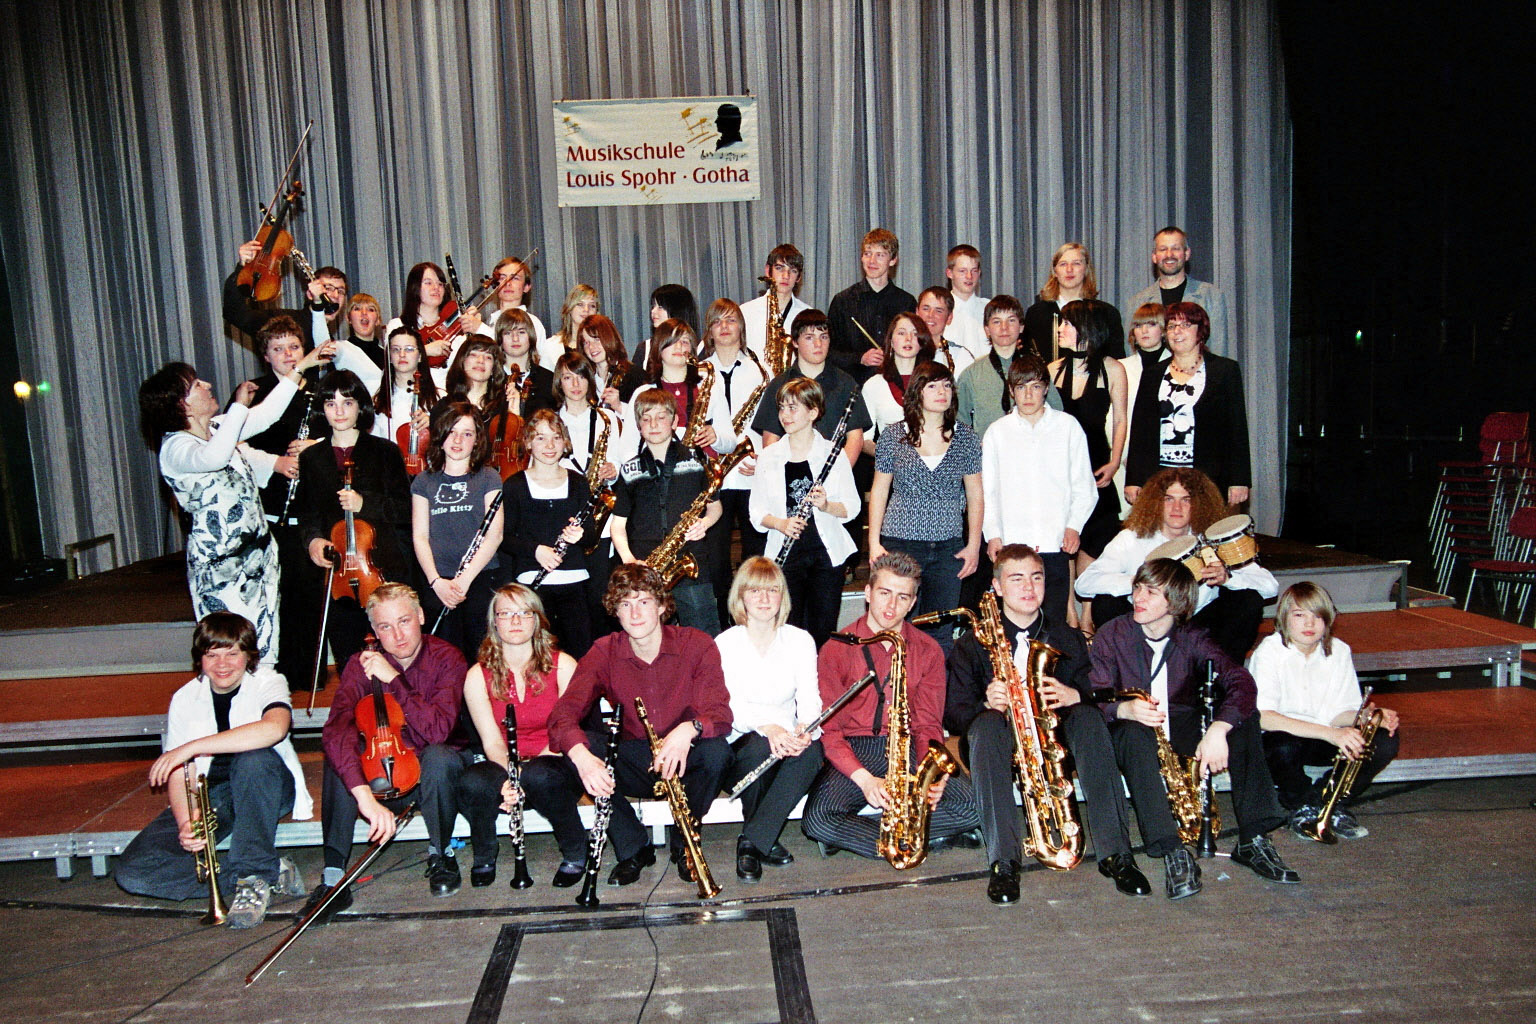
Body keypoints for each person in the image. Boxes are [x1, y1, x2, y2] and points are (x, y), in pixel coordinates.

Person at [944, 546, 1152, 904]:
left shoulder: (1067, 636)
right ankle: (1004, 862)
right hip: (1000, 736)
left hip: (1055, 733)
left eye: (1036, 578)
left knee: (1088, 718)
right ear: (997, 587)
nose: (1029, 587)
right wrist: (985, 703)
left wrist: (1076, 694)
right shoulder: (972, 643)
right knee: (986, 727)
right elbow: (953, 714)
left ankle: (1117, 854)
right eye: (1017, 579)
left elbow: (1097, 691)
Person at [1091, 559, 1298, 898]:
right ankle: (1172, 850)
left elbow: (1241, 682)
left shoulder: (1193, 637)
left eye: (1151, 592)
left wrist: (1219, 729)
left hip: (1181, 727)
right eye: (1138, 588)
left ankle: (1254, 839)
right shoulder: (1112, 634)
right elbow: (1093, 694)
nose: (1138, 597)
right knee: (1131, 732)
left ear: (1175, 601)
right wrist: (1122, 709)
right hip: (1135, 735)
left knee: (1244, 720)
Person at [114, 613, 309, 928]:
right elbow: (180, 774)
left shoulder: (269, 681)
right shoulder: (184, 698)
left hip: (265, 784)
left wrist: (191, 747)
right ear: (200, 659)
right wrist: (186, 822)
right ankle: (266, 872)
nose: (222, 664)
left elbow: (274, 729)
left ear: (248, 655)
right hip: (213, 795)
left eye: (232, 653)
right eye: (212, 654)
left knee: (252, 759)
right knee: (133, 874)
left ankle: (253, 876)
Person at [546, 563, 733, 886]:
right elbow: (563, 714)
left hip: (685, 757)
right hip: (636, 760)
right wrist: (582, 758)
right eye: (625, 604)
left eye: (644, 601)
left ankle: (685, 844)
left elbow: (719, 713)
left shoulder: (696, 643)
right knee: (580, 750)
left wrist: (688, 729)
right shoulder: (605, 651)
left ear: (661, 606)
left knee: (717, 752)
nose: (635, 613)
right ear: (615, 611)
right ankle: (633, 846)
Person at [802, 552, 981, 859]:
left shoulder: (929, 650)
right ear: (868, 593)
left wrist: (933, 773)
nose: (891, 605)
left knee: (975, 805)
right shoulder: (837, 647)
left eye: (902, 597)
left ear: (913, 603)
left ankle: (871, 836)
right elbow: (829, 730)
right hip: (857, 748)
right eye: (884, 593)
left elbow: (928, 724)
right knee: (817, 820)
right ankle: (924, 836)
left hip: (908, 747)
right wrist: (864, 779)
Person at [309, 583, 470, 915]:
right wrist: (363, 797)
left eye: (404, 621)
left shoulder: (447, 658)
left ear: (421, 616)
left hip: (434, 778)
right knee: (339, 755)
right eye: (385, 626)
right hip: (379, 775)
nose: (397, 635)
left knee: (439, 757)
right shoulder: (360, 664)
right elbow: (336, 729)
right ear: (374, 630)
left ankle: (441, 854)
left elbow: (437, 731)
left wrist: (393, 680)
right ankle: (333, 875)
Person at [138, 357, 304, 662]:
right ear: (182, 405)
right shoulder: (175, 448)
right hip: (220, 569)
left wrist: (301, 367)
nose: (207, 385)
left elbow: (267, 414)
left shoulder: (217, 428)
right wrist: (238, 407)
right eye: (196, 385)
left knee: (265, 648)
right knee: (227, 651)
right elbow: (213, 458)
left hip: (259, 558)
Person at [1076, 467, 1276, 663]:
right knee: (1105, 602)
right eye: (1169, 499)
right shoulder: (1133, 538)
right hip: (1145, 629)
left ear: (1199, 504)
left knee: (1248, 599)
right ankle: (1132, 674)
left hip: (1197, 627)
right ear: (1156, 502)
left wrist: (1227, 578)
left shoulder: (1211, 538)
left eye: (1186, 500)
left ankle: (1220, 674)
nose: (1177, 508)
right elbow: (1085, 584)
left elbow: (1270, 587)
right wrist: (1142, 582)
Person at [1250, 583, 1402, 839]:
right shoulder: (1269, 651)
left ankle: (1328, 801)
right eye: (1300, 615)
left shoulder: (1339, 650)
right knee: (1280, 746)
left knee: (1384, 739)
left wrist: (1367, 717)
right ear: (1284, 618)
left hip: (1326, 736)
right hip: (1285, 737)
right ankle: (1300, 803)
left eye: (1317, 616)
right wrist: (1331, 734)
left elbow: (1340, 712)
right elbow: (1264, 717)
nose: (1309, 623)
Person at [458, 584, 585, 886]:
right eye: (505, 614)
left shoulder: (564, 665)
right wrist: (510, 779)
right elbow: (491, 741)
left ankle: (575, 851)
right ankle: (484, 855)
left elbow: (564, 733)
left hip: (555, 765)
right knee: (473, 781)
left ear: (537, 619)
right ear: (494, 622)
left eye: (524, 613)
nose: (515, 621)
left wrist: (525, 777)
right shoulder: (476, 675)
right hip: (505, 766)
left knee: (540, 775)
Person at [234, 316, 339, 681]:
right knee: (270, 593)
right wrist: (275, 463)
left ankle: (307, 673)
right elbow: (232, 444)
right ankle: (268, 672)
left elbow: (348, 431)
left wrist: (315, 446)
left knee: (308, 591)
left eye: (294, 347)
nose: (288, 355)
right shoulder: (254, 392)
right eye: (278, 349)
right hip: (270, 505)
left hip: (310, 505)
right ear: (265, 355)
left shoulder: (322, 390)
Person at [297, 370, 413, 673]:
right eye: (330, 404)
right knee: (348, 655)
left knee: (394, 653)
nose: (339, 411)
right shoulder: (311, 458)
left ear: (360, 407)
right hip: (339, 574)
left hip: (382, 567)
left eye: (347, 403)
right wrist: (313, 540)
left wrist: (365, 504)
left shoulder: (385, 451)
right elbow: (308, 513)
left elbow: (405, 509)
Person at [716, 558, 824, 882]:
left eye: (772, 590)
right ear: (741, 596)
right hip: (742, 743)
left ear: (782, 597)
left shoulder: (800, 640)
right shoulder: (725, 644)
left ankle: (752, 841)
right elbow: (728, 706)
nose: (764, 599)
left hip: (787, 740)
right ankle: (763, 838)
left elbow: (810, 697)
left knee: (813, 752)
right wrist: (767, 728)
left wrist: (805, 728)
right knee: (760, 748)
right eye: (755, 591)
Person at [867, 360, 982, 656]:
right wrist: (874, 543)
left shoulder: (966, 438)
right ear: (917, 391)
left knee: (941, 630)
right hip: (900, 544)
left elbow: (975, 495)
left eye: (946, 385)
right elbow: (879, 490)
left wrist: (973, 545)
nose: (941, 392)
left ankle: (935, 686)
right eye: (932, 386)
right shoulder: (893, 436)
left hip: (948, 549)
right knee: (896, 626)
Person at [980, 356, 1098, 628]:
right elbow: (988, 491)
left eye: (1035, 387)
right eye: (1021, 387)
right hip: (1012, 545)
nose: (1028, 395)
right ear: (1011, 391)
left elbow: (1084, 486)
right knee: (1013, 623)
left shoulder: (1068, 427)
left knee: (1053, 624)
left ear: (1046, 388)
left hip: (1054, 542)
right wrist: (993, 534)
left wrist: (1074, 526)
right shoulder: (997, 432)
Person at [749, 378, 860, 649]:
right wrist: (781, 523)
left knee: (823, 630)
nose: (784, 415)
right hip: (786, 553)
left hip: (826, 555)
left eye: (793, 408)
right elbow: (756, 512)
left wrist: (826, 505)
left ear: (813, 412)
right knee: (789, 630)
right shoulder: (769, 456)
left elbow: (852, 507)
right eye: (782, 408)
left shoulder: (832, 454)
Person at [610, 389, 724, 634]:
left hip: (691, 560)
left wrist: (704, 523)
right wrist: (630, 561)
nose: (653, 424)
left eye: (661, 417)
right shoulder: (629, 470)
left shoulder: (697, 461)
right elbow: (617, 525)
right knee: (651, 638)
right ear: (638, 425)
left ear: (674, 422)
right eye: (646, 418)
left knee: (703, 635)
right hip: (647, 566)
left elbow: (715, 507)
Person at [1048, 298, 1129, 629]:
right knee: (1064, 543)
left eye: (1067, 324)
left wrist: (1115, 462)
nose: (1060, 329)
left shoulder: (1113, 369)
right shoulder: (1052, 370)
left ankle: (1088, 618)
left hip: (1097, 467)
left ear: (1087, 328)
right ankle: (1069, 614)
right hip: (1062, 470)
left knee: (1095, 543)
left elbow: (1121, 420)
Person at [1124, 301, 1251, 508]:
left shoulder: (1225, 370)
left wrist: (1239, 479)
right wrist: (1133, 479)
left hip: (1208, 478)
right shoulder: (1153, 374)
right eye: (1171, 326)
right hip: (1159, 479)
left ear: (1201, 331)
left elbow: (1237, 429)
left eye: (1185, 325)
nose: (1177, 331)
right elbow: (1140, 430)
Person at [410, 400, 504, 660]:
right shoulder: (424, 481)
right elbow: (420, 536)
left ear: (477, 440)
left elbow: (494, 535)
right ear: (440, 435)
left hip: (479, 578)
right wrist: (436, 581)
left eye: (467, 433)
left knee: (481, 655)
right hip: (438, 581)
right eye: (452, 431)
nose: (458, 440)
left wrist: (464, 580)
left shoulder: (489, 477)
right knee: (444, 658)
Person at [499, 410, 598, 658]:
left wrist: (580, 535)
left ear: (565, 442)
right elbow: (504, 538)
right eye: (540, 438)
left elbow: (591, 536)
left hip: (575, 582)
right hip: (533, 585)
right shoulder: (514, 485)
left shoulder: (578, 482)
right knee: (539, 658)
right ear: (528, 443)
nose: (550, 445)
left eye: (556, 437)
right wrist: (536, 551)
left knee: (580, 656)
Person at [701, 298, 771, 617]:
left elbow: (770, 423)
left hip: (750, 472)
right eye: (717, 322)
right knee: (716, 560)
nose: (724, 327)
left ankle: (752, 617)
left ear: (742, 327)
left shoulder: (761, 371)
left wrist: (760, 458)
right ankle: (724, 621)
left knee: (754, 556)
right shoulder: (699, 372)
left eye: (731, 320)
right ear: (709, 331)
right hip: (713, 477)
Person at [749, 309, 871, 466]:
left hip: (834, 473)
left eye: (824, 337)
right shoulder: (778, 385)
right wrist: (783, 472)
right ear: (795, 342)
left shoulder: (846, 383)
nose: (818, 344)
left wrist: (838, 473)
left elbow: (855, 438)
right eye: (809, 337)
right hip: (790, 472)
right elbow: (771, 440)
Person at [955, 294, 1061, 442]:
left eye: (1011, 320)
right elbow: (960, 423)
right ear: (987, 329)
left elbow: (1057, 413)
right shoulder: (971, 375)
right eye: (997, 322)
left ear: (1021, 327)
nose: (1004, 328)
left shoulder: (1037, 369)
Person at [826, 228, 917, 382]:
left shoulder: (906, 302)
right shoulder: (843, 301)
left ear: (893, 260)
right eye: (867, 254)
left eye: (880, 255)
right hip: (854, 386)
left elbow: (917, 347)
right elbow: (828, 351)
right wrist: (860, 358)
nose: (872, 261)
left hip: (895, 385)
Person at [1125, 226, 1231, 356]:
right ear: (1154, 256)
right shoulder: (1136, 303)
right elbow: (1132, 353)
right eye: (1163, 249)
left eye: (1176, 249)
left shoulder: (1211, 296)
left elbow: (1218, 352)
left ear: (1187, 254)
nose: (1169, 255)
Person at [634, 318, 734, 455]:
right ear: (659, 347)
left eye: (685, 342)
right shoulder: (642, 393)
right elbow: (628, 448)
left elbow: (731, 443)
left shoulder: (710, 389)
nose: (679, 346)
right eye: (672, 340)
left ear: (692, 350)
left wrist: (716, 438)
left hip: (703, 466)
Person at [223, 240, 343, 348]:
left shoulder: (335, 344)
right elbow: (236, 314)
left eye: (341, 291)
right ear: (310, 293)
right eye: (328, 288)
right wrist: (243, 268)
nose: (335, 295)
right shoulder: (284, 322)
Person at [386, 261, 486, 388]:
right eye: (428, 283)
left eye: (440, 284)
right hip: (414, 390)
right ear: (415, 287)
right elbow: (390, 362)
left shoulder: (457, 324)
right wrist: (425, 350)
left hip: (453, 392)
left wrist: (478, 327)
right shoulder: (398, 325)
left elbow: (488, 353)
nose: (436, 288)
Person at [1022, 243, 1123, 364]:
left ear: (1086, 269)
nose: (1069, 269)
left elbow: (1117, 360)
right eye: (1063, 264)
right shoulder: (1036, 314)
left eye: (1076, 263)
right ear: (1055, 271)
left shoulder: (1106, 313)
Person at [860, 311, 937, 449]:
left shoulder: (936, 382)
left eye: (915, 333)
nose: (908, 338)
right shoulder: (873, 385)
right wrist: (890, 456)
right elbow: (865, 440)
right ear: (891, 341)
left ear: (922, 341)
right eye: (901, 333)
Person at [1115, 303, 1168, 499]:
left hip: (1169, 458)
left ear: (1164, 330)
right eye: (1138, 325)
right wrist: (1125, 456)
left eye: (1151, 324)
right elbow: (1113, 417)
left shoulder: (1178, 366)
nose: (1144, 331)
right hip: (1127, 461)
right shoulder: (1120, 367)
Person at [370, 325, 439, 459]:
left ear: (420, 356)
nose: (402, 354)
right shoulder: (377, 402)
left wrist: (436, 424)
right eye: (396, 349)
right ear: (389, 357)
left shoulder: (439, 398)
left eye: (409, 349)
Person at [740, 243, 811, 366]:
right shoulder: (745, 312)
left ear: (798, 277)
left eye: (793, 271)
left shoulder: (808, 315)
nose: (786, 276)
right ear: (768, 271)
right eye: (779, 268)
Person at [578, 313, 647, 416]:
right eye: (586, 343)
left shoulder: (635, 376)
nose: (591, 347)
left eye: (597, 339)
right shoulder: (584, 379)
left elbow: (648, 416)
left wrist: (619, 407)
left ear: (609, 338)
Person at [914, 285, 983, 375]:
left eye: (938, 311)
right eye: (926, 309)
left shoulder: (962, 356)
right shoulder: (905, 350)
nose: (930, 315)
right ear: (917, 312)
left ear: (949, 318)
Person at [486, 256, 549, 353]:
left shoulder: (533, 323)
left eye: (515, 278)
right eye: (502, 278)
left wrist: (479, 329)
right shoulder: (492, 322)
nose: (507, 283)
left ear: (526, 287)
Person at [539, 283, 600, 368]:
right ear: (570, 309)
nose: (586, 310)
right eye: (580, 304)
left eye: (592, 306)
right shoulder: (551, 346)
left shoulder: (603, 345)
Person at [645, 284, 700, 363]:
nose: (653, 311)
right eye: (653, 306)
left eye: (660, 307)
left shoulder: (701, 349)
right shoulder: (646, 348)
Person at [945, 244, 989, 327]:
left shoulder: (990, 310)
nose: (969, 276)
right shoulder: (940, 312)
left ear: (979, 273)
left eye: (974, 271)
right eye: (962, 271)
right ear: (949, 273)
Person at [342, 292, 387, 369]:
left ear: (378, 320)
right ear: (348, 318)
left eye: (371, 309)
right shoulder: (341, 351)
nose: (364, 313)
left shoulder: (387, 356)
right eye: (357, 309)